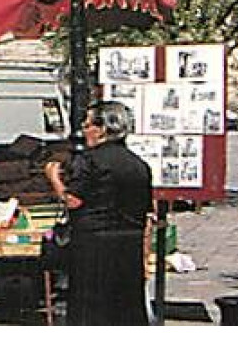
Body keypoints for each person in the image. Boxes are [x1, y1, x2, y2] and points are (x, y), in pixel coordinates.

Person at [44, 101, 153, 325]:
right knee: (126, 308)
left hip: (94, 246)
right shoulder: (138, 164)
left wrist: (54, 178)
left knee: (91, 311)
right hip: (128, 246)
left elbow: (73, 200)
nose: (84, 129)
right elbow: (146, 211)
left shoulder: (90, 160)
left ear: (102, 129)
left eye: (87, 124)